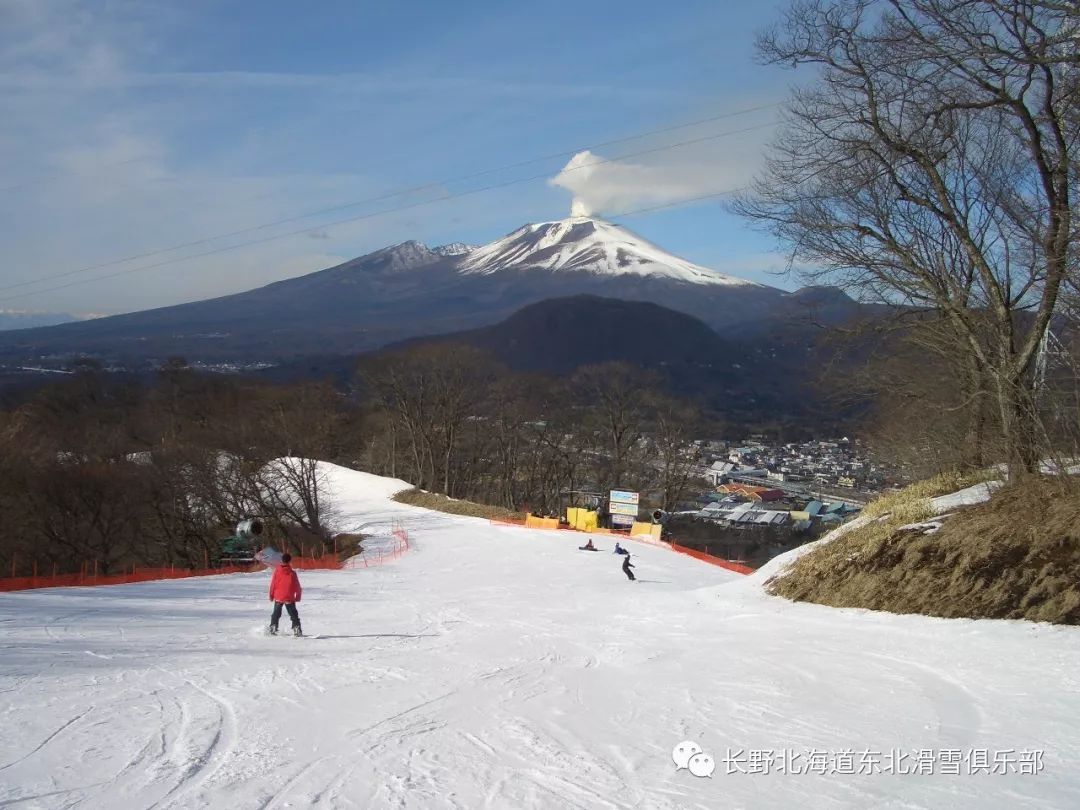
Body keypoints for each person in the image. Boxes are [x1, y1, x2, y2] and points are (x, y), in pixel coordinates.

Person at [269, 553, 303, 636]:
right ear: (289, 561)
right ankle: (297, 629)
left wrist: (271, 595)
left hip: (278, 596)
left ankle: (273, 628)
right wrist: (298, 596)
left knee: (276, 614)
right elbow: (297, 585)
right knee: (293, 614)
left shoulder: (277, 571)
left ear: (282, 560)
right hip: (289, 596)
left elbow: (273, 583)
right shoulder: (292, 573)